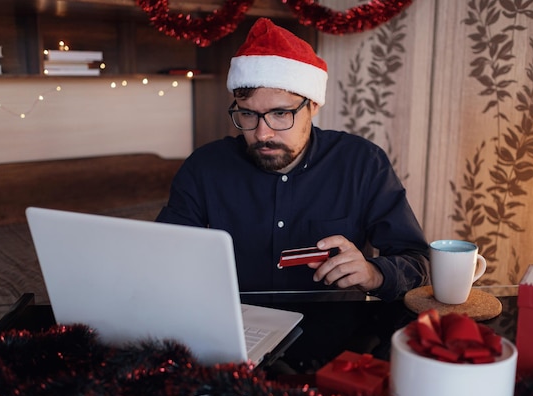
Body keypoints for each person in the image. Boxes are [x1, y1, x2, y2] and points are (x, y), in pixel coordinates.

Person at [156, 17, 429, 369]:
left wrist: (374, 273)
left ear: (313, 106)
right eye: (248, 115)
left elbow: (417, 261)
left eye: (281, 113)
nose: (263, 133)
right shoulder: (204, 168)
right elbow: (163, 261)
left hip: (334, 353)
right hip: (229, 349)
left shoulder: (361, 163)